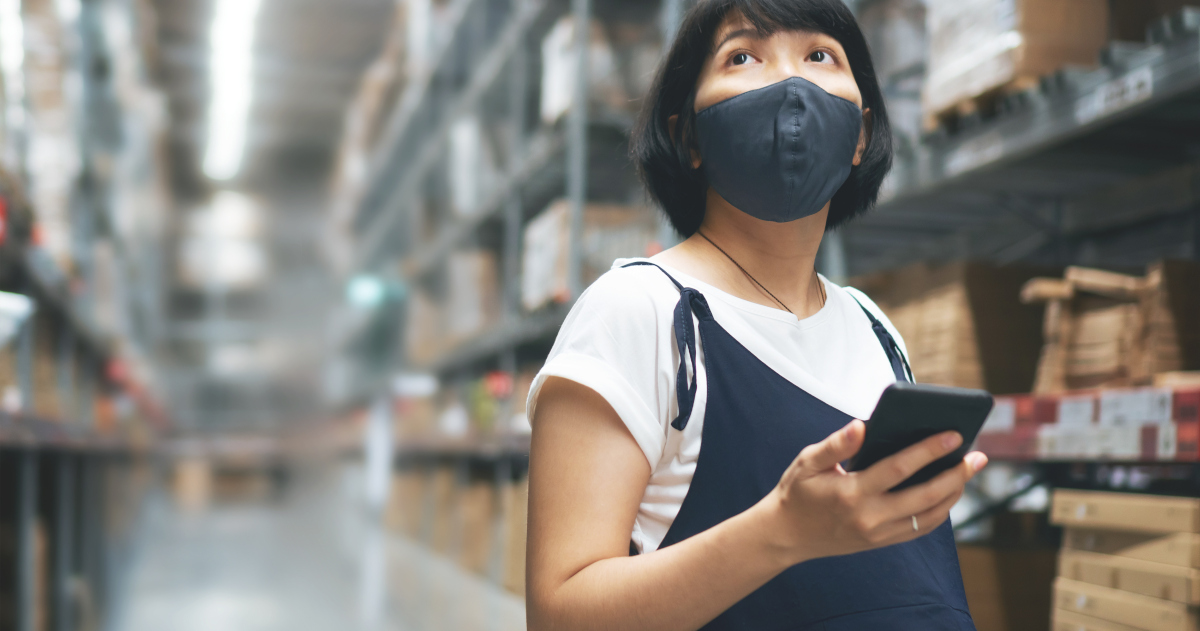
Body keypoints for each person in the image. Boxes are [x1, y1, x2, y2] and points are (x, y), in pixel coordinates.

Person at [524, 1, 988, 629]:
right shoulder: (641, 311)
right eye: (743, 56)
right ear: (688, 135)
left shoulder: (873, 327)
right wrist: (780, 533)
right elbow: (559, 614)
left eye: (820, 55)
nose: (791, 86)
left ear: (860, 134)